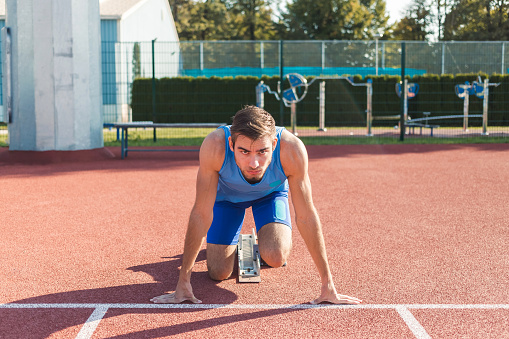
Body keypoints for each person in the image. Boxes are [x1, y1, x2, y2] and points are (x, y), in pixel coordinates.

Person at [151, 106, 361, 305]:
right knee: (218, 272)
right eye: (244, 152)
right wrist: (182, 283)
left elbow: (306, 215)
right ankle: (233, 245)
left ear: (275, 144)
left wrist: (328, 285)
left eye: (262, 152)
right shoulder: (215, 146)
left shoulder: (292, 149)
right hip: (226, 200)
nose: (254, 164)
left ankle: (255, 244)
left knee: (276, 256)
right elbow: (201, 213)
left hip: (270, 196)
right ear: (231, 144)